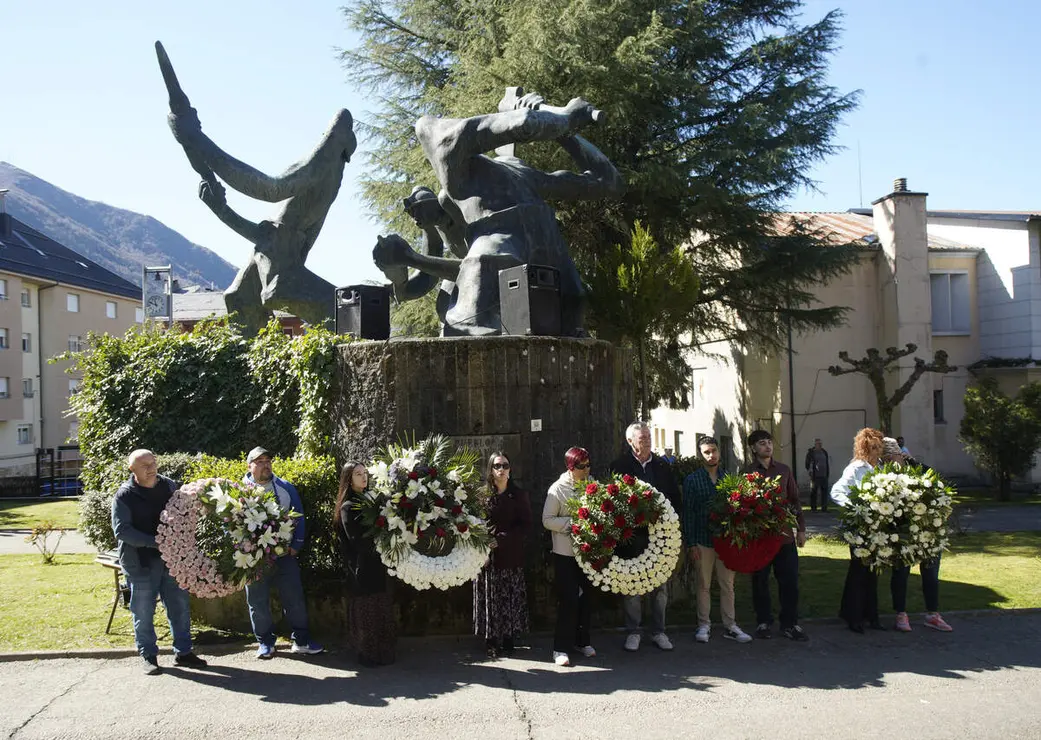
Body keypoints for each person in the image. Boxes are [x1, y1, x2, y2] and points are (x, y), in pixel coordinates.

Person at [111, 449, 208, 674]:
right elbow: (122, 531)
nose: (151, 468)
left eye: (153, 463)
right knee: (143, 610)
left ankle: (183, 653)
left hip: (171, 561)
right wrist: (158, 542)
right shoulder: (124, 495)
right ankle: (148, 656)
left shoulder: (169, 486)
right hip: (140, 563)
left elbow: (184, 512)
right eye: (144, 465)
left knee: (179, 606)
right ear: (131, 469)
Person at [242, 446, 324, 659]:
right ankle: (265, 643)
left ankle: (302, 640)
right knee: (257, 601)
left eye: (268, 460)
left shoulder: (286, 487)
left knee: (294, 598)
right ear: (249, 466)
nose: (265, 464)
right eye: (259, 461)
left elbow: (299, 517)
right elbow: (229, 524)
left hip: (284, 556)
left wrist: (295, 545)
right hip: (254, 559)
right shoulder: (238, 490)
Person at [610, 422, 682, 652]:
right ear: (631, 441)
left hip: (660, 537)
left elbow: (674, 499)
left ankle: (658, 631)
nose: (648, 442)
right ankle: (634, 631)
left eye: (649, 437)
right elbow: (612, 502)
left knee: (660, 587)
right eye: (642, 439)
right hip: (631, 537)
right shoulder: (619, 466)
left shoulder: (662, 466)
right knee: (632, 585)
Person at [681, 436, 752, 644]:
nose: (711, 455)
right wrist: (691, 543)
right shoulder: (693, 480)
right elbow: (689, 514)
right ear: (700, 455)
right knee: (703, 584)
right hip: (703, 540)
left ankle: (730, 625)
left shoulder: (728, 478)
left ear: (719, 452)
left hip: (725, 541)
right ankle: (704, 625)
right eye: (706, 452)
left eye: (714, 451)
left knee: (727, 584)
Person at [884, 439, 953, 633]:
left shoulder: (919, 468)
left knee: (931, 573)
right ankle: (901, 614)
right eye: (885, 459)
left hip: (927, 530)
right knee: (901, 574)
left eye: (891, 457)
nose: (889, 462)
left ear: (899, 454)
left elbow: (939, 490)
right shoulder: (883, 476)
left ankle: (932, 614)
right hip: (903, 532)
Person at [745, 429, 808, 641]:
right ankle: (763, 622)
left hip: (784, 537)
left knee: (789, 582)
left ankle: (790, 624)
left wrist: (800, 529)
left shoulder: (783, 470)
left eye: (769, 442)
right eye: (762, 443)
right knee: (760, 582)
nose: (767, 446)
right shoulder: (746, 473)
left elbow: (794, 500)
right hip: (759, 539)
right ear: (753, 448)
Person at [335, 460, 396, 666]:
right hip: (361, 566)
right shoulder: (348, 506)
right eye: (358, 474)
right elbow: (356, 540)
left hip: (377, 563)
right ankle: (368, 652)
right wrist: (380, 539)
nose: (364, 477)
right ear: (349, 479)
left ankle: (383, 650)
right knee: (366, 609)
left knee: (380, 606)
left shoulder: (372, 500)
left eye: (365, 473)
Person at [542, 447, 598, 667]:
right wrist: (572, 525)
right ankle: (560, 648)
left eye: (588, 464)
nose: (587, 469)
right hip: (565, 553)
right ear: (571, 467)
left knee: (587, 598)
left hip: (588, 551)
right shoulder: (557, 489)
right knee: (568, 600)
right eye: (582, 466)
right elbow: (547, 519)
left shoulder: (593, 485)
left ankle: (582, 641)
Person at [474, 451, 532, 658]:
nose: (501, 470)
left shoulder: (518, 495)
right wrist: (484, 541)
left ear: (510, 469)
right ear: (490, 469)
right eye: (497, 466)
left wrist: (502, 539)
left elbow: (526, 526)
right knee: (491, 597)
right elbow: (474, 523)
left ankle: (508, 638)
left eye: (505, 465)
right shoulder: (482, 496)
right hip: (487, 556)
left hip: (510, 554)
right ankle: (491, 639)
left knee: (508, 597)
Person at [830, 428, 886, 633]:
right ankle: (854, 616)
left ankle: (871, 615)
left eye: (879, 448)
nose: (877, 452)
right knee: (859, 571)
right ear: (865, 448)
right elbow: (836, 491)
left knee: (873, 572)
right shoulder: (856, 468)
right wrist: (856, 508)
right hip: (860, 527)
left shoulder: (880, 469)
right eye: (873, 448)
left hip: (877, 527)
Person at [804, 438, 831, 512]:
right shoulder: (811, 453)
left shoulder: (824, 452)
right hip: (815, 476)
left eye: (820, 443)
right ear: (815, 444)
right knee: (814, 492)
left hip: (824, 475)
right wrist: (810, 471)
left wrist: (827, 473)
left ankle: (824, 508)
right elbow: (807, 463)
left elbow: (826, 463)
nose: (820, 445)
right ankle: (813, 508)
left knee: (824, 492)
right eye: (818, 443)